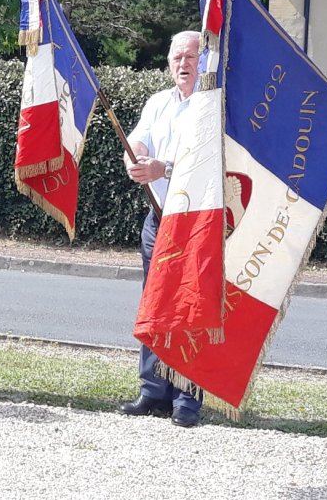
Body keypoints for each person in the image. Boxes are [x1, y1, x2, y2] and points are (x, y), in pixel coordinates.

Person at [120, 29, 204, 428]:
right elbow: (139, 142)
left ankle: (188, 398)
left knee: (191, 308)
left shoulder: (214, 106)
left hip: (198, 221)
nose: (184, 64)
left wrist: (163, 168)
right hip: (159, 217)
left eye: (191, 56)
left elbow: (207, 163)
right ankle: (153, 390)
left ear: (205, 61)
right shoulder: (158, 103)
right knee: (155, 303)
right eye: (177, 58)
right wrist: (135, 158)